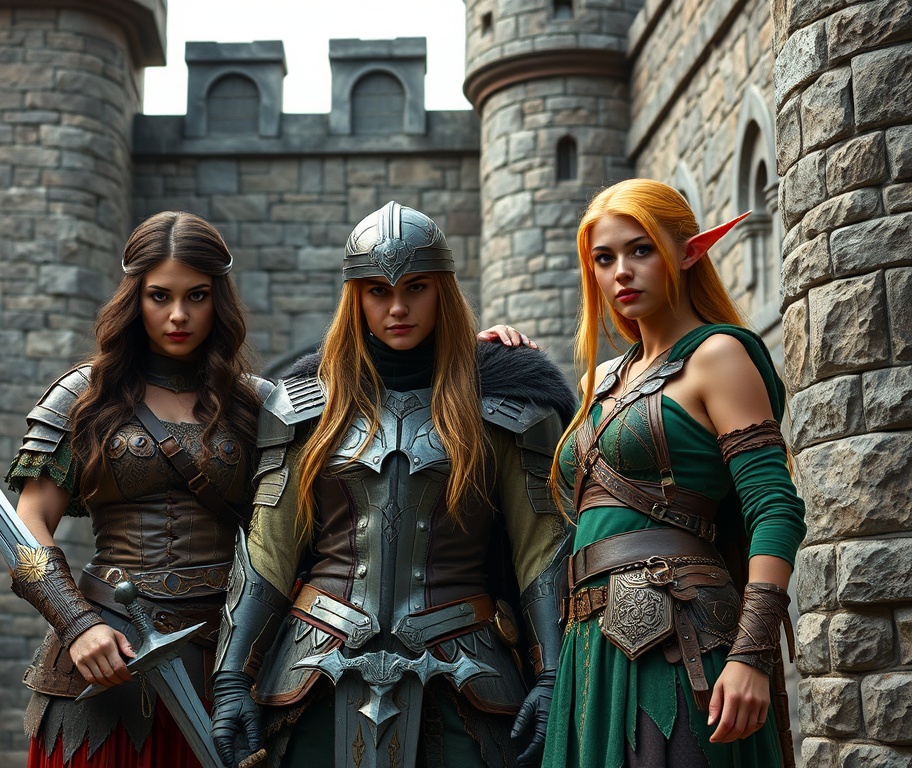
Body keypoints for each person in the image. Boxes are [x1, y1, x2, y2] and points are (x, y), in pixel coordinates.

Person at [209, 201, 577, 768]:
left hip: (468, 677)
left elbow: (542, 553)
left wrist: (552, 675)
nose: (398, 307)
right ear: (355, 297)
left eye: (417, 288)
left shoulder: (509, 406)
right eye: (378, 291)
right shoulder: (304, 407)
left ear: (443, 291)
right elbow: (267, 552)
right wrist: (233, 677)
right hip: (312, 673)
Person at [541, 179, 806, 768]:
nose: (621, 273)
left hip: (679, 638)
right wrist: (502, 361)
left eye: (641, 250)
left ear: (687, 252)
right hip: (589, 653)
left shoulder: (719, 355)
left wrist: (751, 655)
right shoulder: (603, 379)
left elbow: (774, 507)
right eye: (604, 259)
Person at [5, 211, 268, 767]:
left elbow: (368, 405)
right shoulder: (87, 395)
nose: (178, 315)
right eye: (159, 296)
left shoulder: (258, 406)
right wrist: (78, 625)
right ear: (135, 298)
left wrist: (485, 356)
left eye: (196, 296)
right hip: (105, 661)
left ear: (219, 300)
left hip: (228, 666)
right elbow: (26, 524)